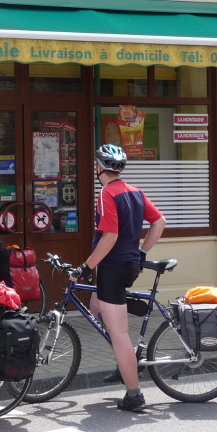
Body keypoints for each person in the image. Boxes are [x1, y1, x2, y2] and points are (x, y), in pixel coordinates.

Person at [74, 144, 166, 411]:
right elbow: (159, 222)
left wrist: (86, 267)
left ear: (99, 167)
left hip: (113, 267)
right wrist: (141, 252)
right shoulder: (135, 192)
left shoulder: (107, 193)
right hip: (127, 265)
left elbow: (110, 236)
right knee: (95, 307)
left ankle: (134, 395)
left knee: (120, 333)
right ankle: (124, 360)